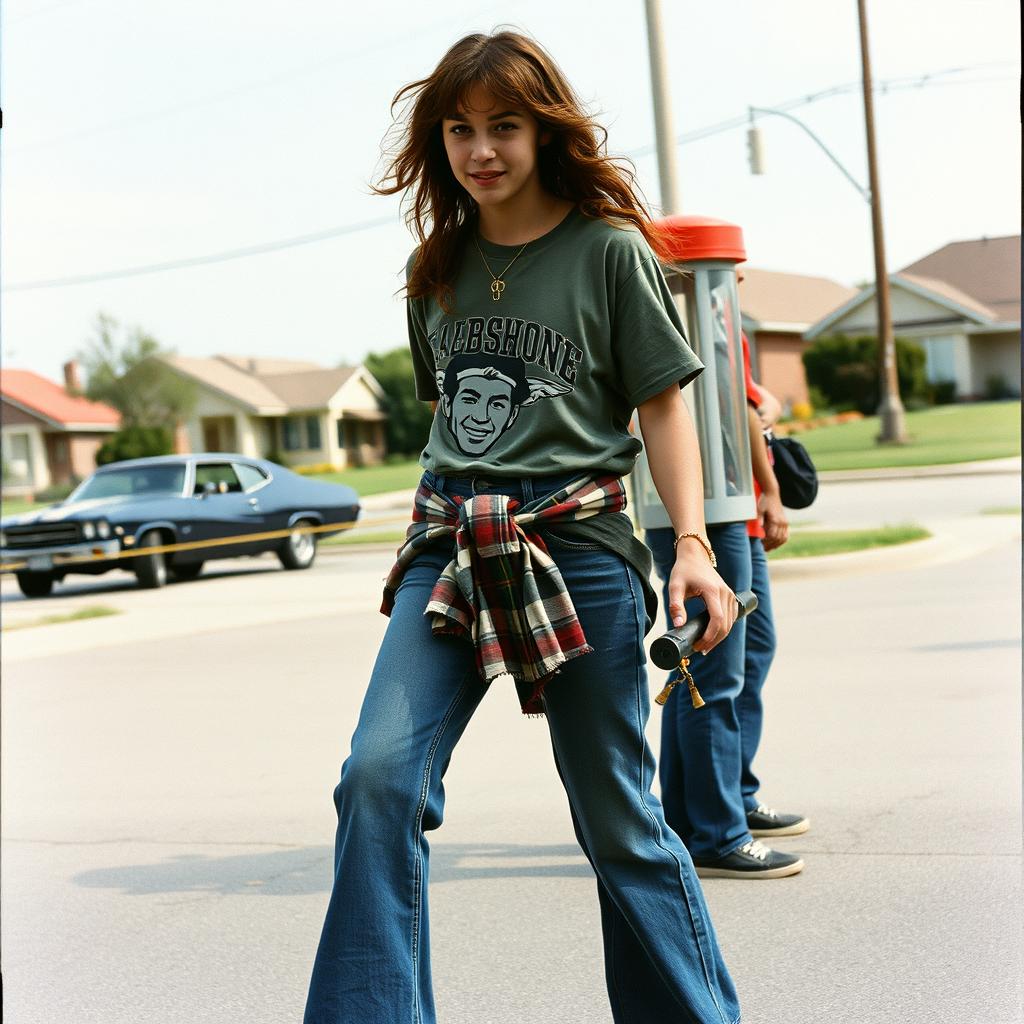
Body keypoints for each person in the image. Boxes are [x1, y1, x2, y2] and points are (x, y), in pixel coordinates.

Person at [304, 30, 743, 1024]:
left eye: (503, 125)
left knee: (618, 819)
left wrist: (690, 546)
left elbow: (663, 403)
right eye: (459, 129)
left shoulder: (608, 252)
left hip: (576, 549)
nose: (480, 149)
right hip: (452, 549)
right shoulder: (437, 266)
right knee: (375, 776)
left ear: (545, 131)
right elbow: (444, 415)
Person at [646, 334, 809, 881]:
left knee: (740, 659)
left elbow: (751, 402)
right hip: (715, 512)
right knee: (715, 676)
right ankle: (718, 833)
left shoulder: (721, 319)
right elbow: (739, 409)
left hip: (731, 514)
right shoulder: (701, 316)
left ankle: (715, 805)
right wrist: (772, 488)